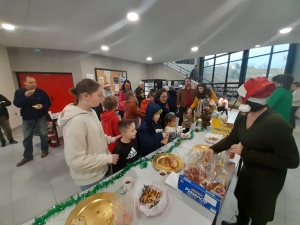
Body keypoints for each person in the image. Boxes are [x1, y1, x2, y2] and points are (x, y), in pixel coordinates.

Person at [205, 77, 299, 225]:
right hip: (248, 172)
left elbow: (291, 160)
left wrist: (247, 152)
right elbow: (233, 138)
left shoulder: (276, 123)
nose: (238, 98)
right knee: (243, 202)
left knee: (258, 213)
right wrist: (213, 149)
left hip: (267, 180)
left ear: (248, 100)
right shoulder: (243, 116)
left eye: (240, 96)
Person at [58, 78, 121, 191]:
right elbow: (76, 160)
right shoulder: (76, 122)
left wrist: (112, 139)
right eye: (99, 95)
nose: (102, 99)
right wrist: (108, 158)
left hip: (100, 170)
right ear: (86, 95)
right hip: (90, 177)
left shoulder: (91, 112)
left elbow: (97, 135)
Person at [13, 76, 51, 167]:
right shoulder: (20, 92)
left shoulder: (41, 92)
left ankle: (45, 150)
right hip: (27, 118)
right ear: (24, 83)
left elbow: (48, 103)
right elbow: (17, 104)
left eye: (34, 82)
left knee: (43, 134)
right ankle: (27, 156)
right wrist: (25, 97)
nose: (33, 84)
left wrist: (42, 106)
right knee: (27, 138)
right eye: (31, 82)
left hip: (40, 116)